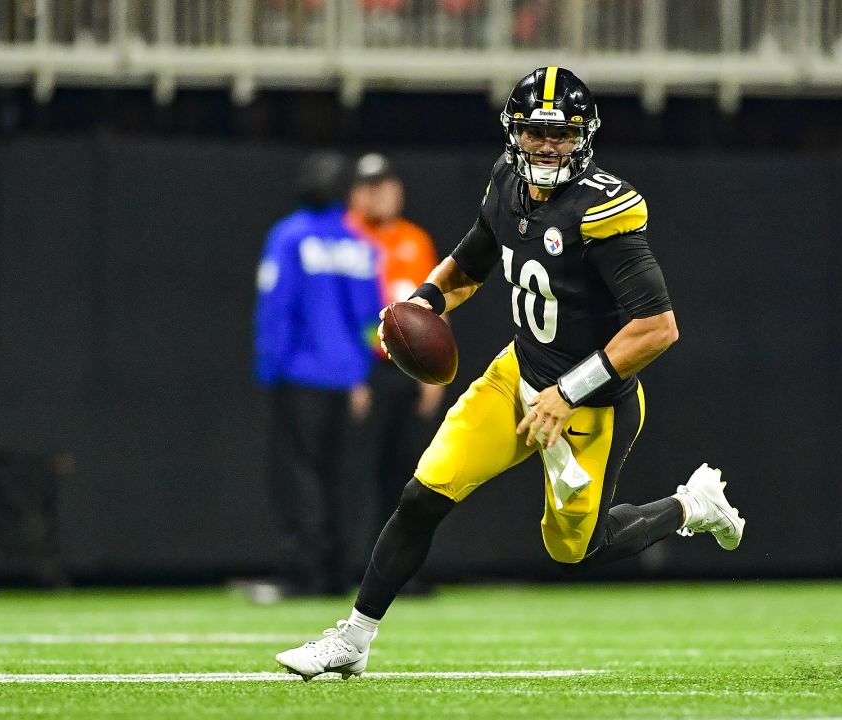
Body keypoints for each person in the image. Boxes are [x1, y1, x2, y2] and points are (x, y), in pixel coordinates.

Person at [275, 67, 747, 679]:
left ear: (584, 137)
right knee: (424, 494)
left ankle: (691, 505)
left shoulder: (602, 210)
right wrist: (425, 300)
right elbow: (472, 260)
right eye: (535, 132)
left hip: (591, 404)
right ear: (514, 134)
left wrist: (567, 392)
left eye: (561, 134)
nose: (546, 146)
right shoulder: (506, 184)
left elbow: (657, 327)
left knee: (578, 549)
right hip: (516, 376)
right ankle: (353, 640)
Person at [252, 150, 382, 599]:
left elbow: (276, 309)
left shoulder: (289, 237)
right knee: (341, 478)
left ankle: (303, 574)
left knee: (298, 476)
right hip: (349, 381)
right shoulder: (358, 245)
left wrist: (271, 369)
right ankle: (337, 574)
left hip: (300, 377)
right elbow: (371, 320)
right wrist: (362, 375)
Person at [345, 153, 445, 589]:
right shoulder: (345, 236)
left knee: (410, 473)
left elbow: (437, 305)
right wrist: (352, 372)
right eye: (370, 185)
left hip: (408, 370)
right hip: (366, 368)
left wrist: (435, 372)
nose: (379, 192)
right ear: (355, 192)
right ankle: (355, 565)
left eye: (385, 183)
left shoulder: (414, 239)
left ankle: (402, 570)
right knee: (359, 470)